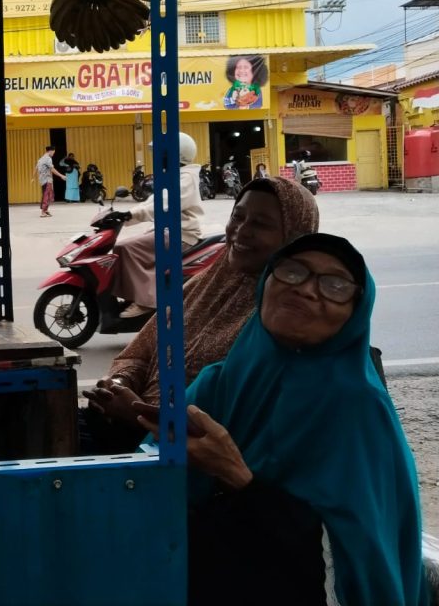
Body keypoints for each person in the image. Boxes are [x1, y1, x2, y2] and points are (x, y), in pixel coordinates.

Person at [136, 234, 430, 606]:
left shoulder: (356, 407)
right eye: (292, 271)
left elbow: (354, 554)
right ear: (266, 283)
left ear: (356, 312)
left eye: (335, 286)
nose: (305, 289)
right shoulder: (221, 381)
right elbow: (144, 484)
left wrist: (236, 475)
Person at [82, 176, 319, 454]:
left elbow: (239, 426)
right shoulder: (203, 285)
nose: (241, 231)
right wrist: (119, 384)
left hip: (177, 455)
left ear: (294, 237)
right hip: (127, 428)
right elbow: (140, 352)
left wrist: (140, 416)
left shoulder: (285, 317)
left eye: (261, 224)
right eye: (237, 217)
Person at [111, 133, 204, 318]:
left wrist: (131, 215)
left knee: (126, 248)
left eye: (162, 153)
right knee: (124, 248)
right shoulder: (175, 175)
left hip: (181, 234)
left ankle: (146, 302)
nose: (158, 158)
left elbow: (164, 204)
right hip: (168, 230)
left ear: (176, 154)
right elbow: (152, 202)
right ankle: (135, 295)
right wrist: (125, 216)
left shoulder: (186, 178)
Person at [34, 145, 65, 218]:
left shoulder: (40, 159)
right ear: (51, 151)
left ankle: (46, 210)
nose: (53, 154)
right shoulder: (48, 158)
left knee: (48, 195)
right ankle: (43, 212)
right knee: (47, 195)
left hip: (43, 180)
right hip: (47, 179)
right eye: (53, 152)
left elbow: (36, 168)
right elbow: (52, 169)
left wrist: (33, 177)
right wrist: (61, 175)